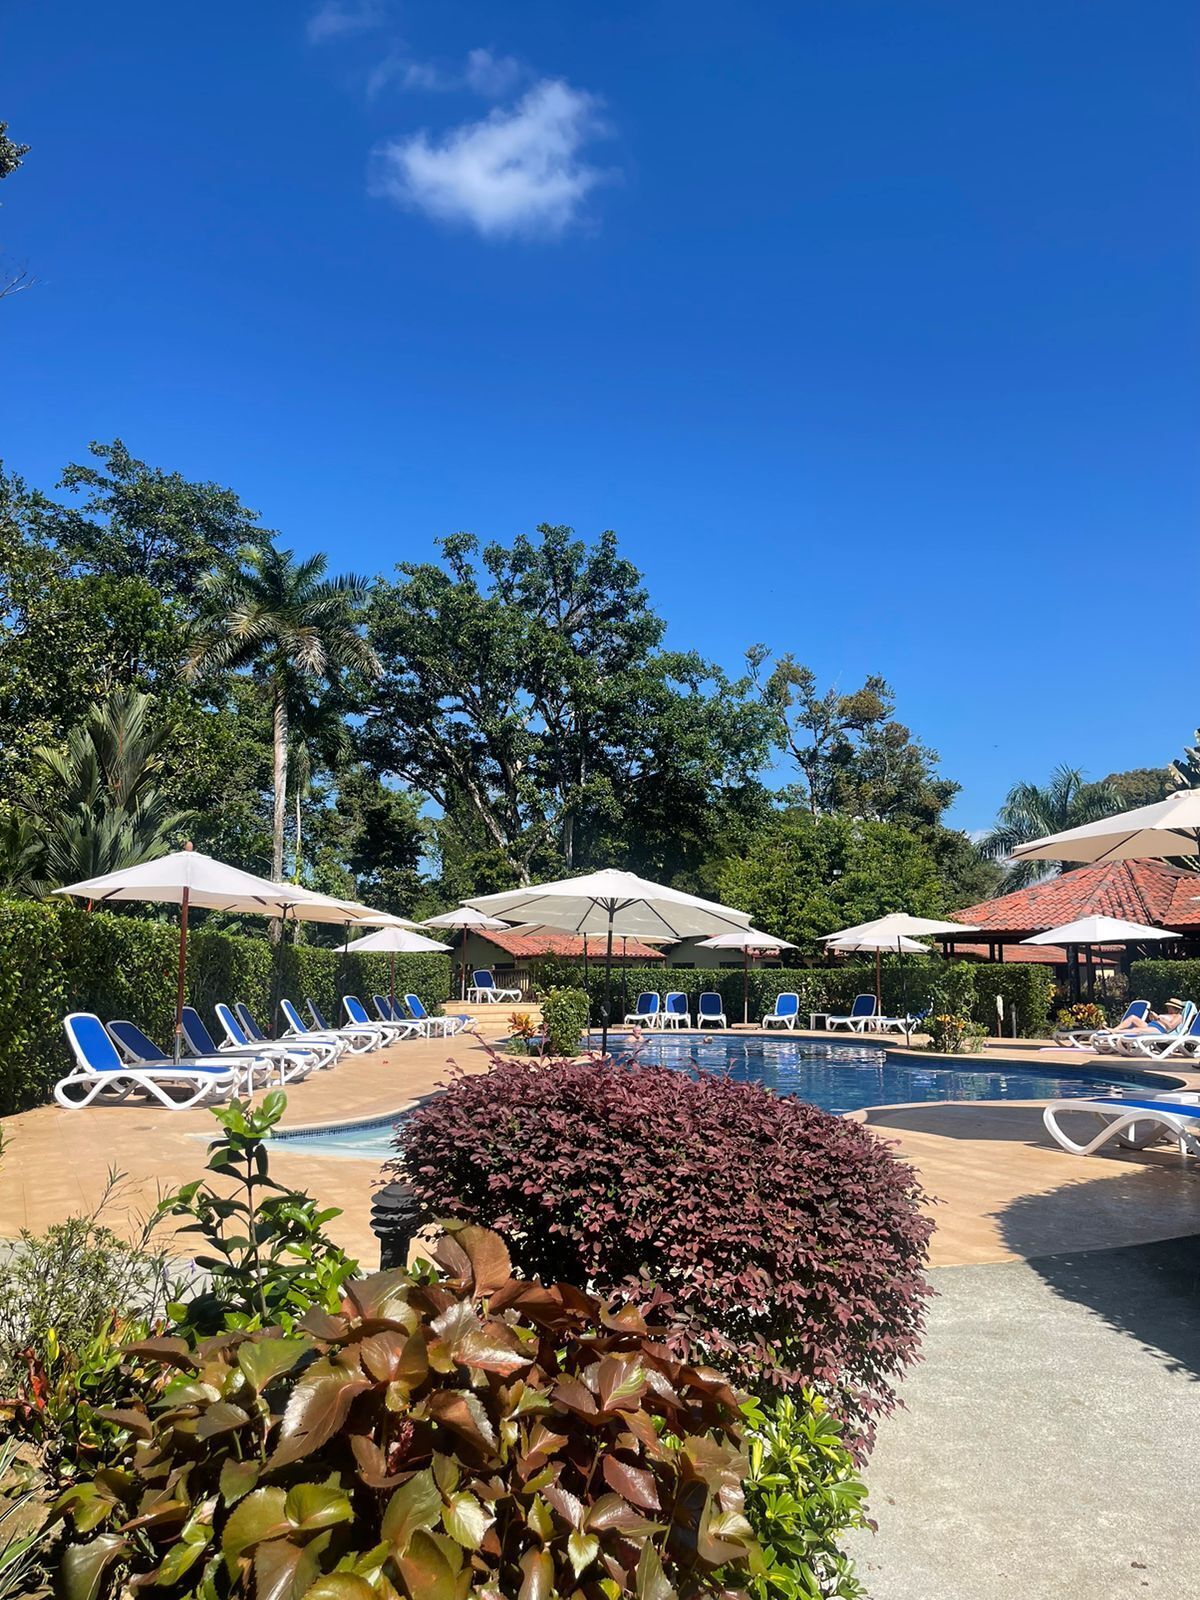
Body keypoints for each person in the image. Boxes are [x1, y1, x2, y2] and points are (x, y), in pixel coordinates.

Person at [1109, 998, 1187, 1036]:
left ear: (1176, 1009)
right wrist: (1152, 1018)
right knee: (1133, 1017)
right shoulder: (1167, 1014)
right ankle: (1115, 1029)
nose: (1168, 1008)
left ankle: (1116, 1032)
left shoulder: (1178, 1016)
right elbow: (1155, 1020)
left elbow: (1170, 1027)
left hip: (1160, 1029)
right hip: (1151, 1025)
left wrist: (1158, 1018)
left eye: (1170, 1007)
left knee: (1137, 1030)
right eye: (1168, 1006)